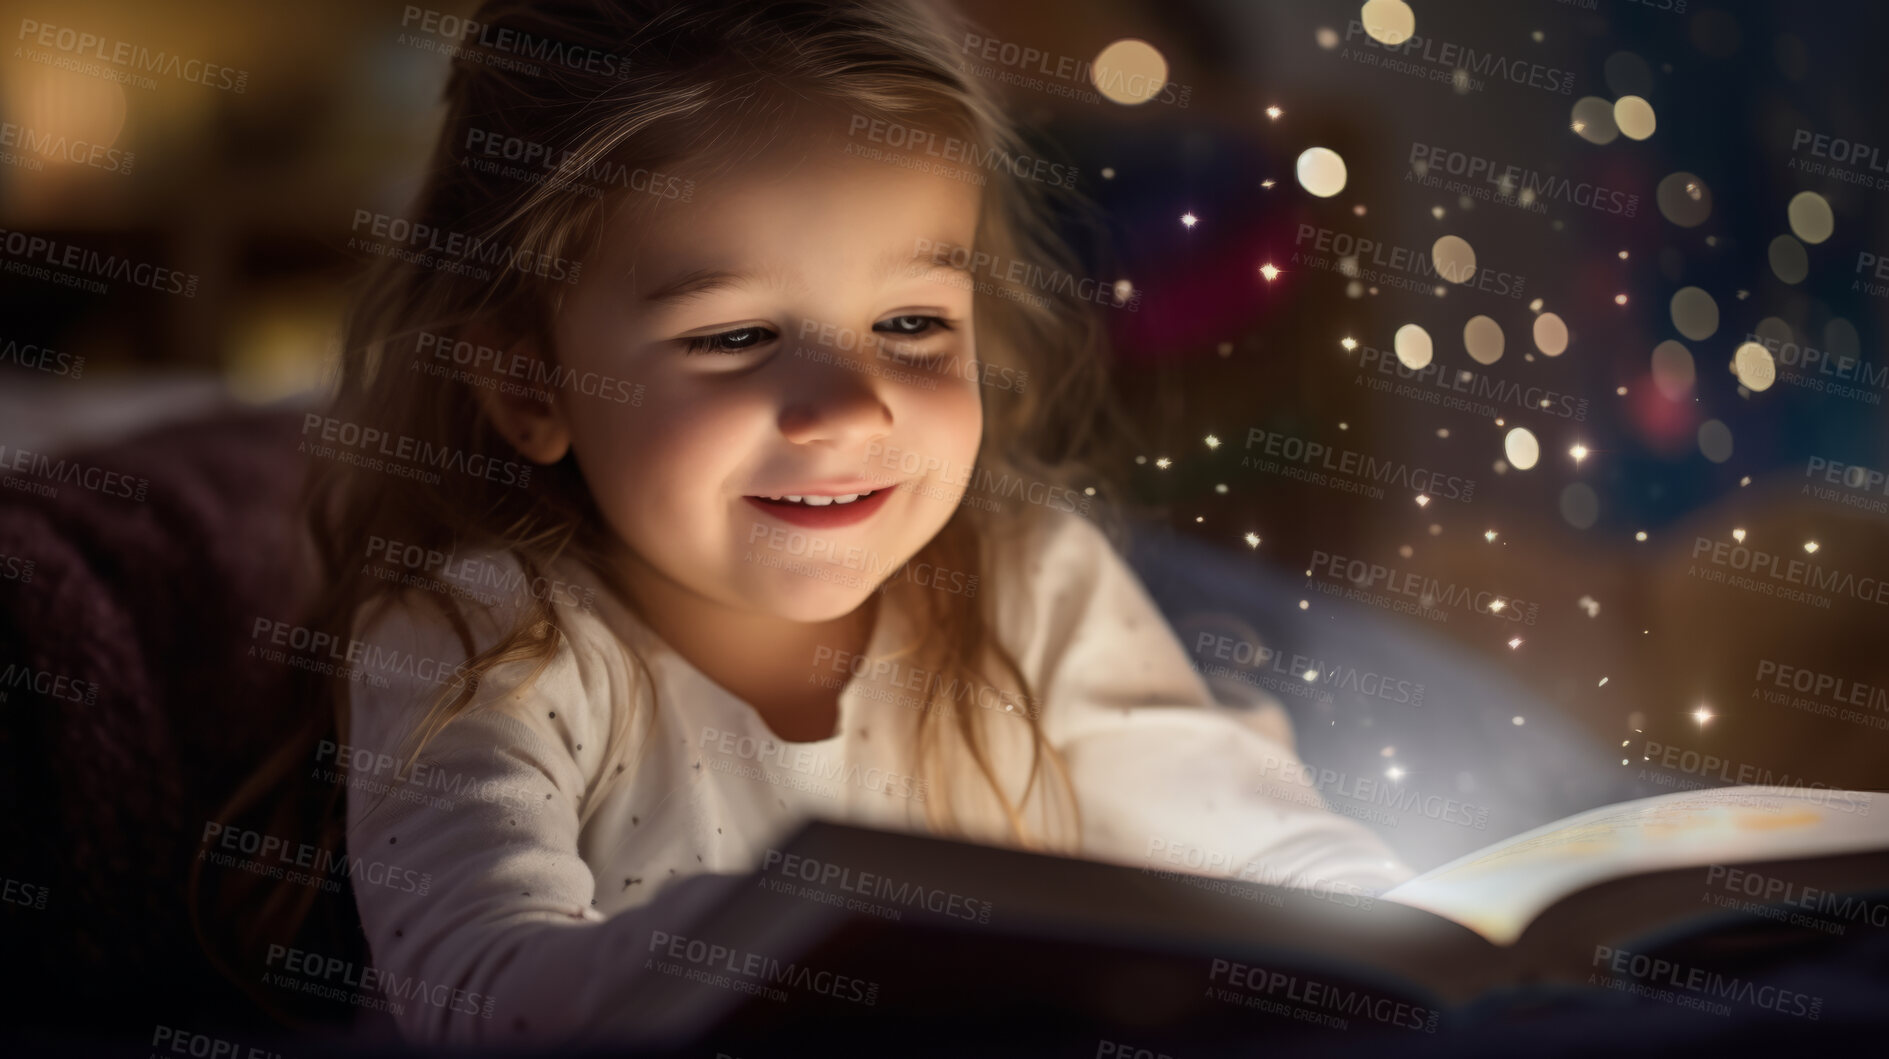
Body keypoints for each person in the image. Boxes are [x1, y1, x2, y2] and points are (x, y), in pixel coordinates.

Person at [220, 0, 1407, 1047]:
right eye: (733, 336)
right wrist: (807, 928)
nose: (850, 409)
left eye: (910, 326)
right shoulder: (481, 640)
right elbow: (482, 992)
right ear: (531, 384)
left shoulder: (1031, 577)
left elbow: (1261, 857)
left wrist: (1427, 946)